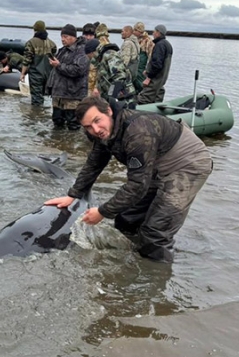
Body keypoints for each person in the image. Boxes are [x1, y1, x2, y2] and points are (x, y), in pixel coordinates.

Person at [45, 96, 212, 263]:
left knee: (156, 231)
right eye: (88, 127)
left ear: (109, 111)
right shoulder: (102, 132)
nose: (95, 129)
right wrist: (73, 194)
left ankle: (154, 279)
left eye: (97, 121)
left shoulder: (138, 132)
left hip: (188, 165)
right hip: (154, 164)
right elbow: (94, 163)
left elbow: (138, 186)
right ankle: (132, 259)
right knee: (127, 218)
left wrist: (102, 212)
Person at [47, 24, 88, 130]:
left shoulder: (81, 50)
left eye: (65, 37)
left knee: (73, 125)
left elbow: (78, 70)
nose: (62, 39)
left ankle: (71, 146)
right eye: (61, 36)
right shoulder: (62, 50)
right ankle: (57, 145)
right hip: (58, 95)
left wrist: (59, 65)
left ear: (73, 37)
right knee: (57, 122)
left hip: (72, 96)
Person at [20, 20, 57, 106]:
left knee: (36, 99)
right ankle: (43, 116)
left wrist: (22, 74)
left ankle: (36, 115)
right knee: (46, 95)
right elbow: (54, 58)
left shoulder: (31, 43)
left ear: (35, 30)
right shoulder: (52, 44)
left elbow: (27, 60)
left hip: (36, 74)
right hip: (48, 74)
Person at [91, 40, 136, 105]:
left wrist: (111, 97)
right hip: (116, 99)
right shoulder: (100, 62)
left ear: (92, 53)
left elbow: (119, 76)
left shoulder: (109, 55)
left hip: (124, 97)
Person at [139, 24, 173, 104]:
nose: (153, 33)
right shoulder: (167, 44)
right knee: (158, 98)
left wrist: (149, 77)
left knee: (143, 98)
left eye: (154, 31)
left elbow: (157, 64)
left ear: (158, 32)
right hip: (162, 80)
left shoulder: (159, 45)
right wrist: (147, 70)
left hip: (155, 79)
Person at [132, 22, 154, 93]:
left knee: (141, 86)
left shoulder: (148, 41)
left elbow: (151, 56)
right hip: (135, 67)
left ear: (140, 31)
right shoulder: (135, 40)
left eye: (135, 30)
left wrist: (148, 70)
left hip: (142, 68)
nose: (133, 32)